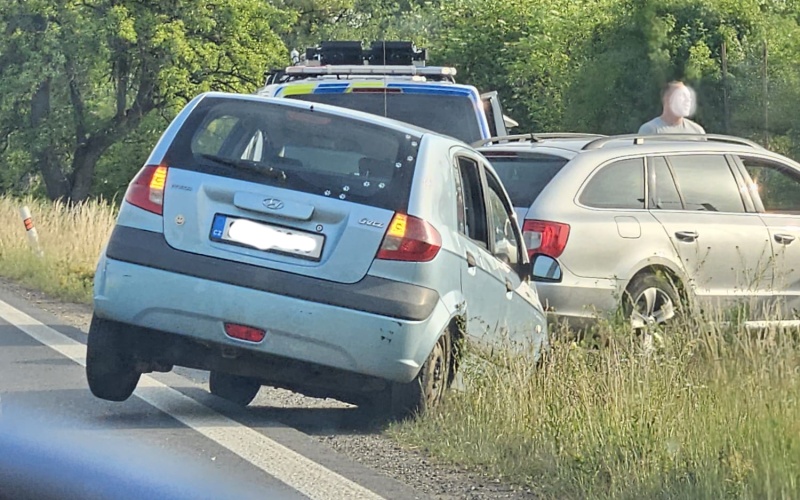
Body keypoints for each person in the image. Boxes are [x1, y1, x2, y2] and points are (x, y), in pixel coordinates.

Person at [638, 81, 705, 134]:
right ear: (667, 99)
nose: (688, 100)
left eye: (689, 97)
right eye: (682, 96)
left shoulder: (697, 132)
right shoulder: (650, 130)